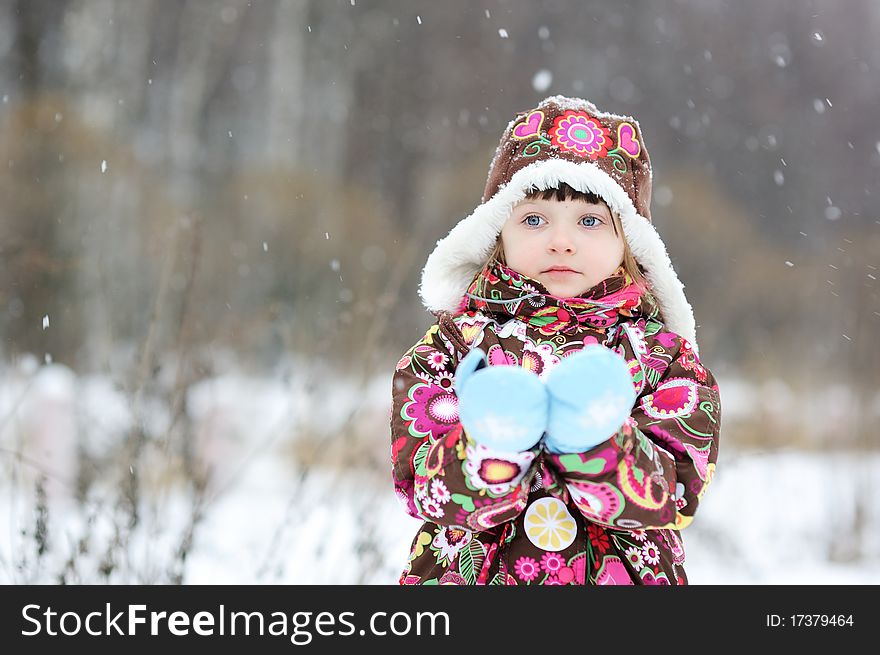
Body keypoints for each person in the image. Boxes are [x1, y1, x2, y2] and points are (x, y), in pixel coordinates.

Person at [390, 95, 722, 585]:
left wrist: (595, 438)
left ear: (627, 241)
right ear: (497, 234)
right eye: (534, 219)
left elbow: (673, 495)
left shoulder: (662, 359)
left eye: (590, 221)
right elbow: (422, 484)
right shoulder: (453, 349)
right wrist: (494, 444)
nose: (560, 241)